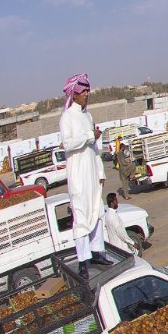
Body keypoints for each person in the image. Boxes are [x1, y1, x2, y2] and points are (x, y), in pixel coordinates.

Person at [60, 73, 108, 277]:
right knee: (81, 216)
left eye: (88, 90)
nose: (87, 94)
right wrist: (89, 136)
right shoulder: (67, 117)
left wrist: (100, 170)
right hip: (78, 175)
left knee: (96, 211)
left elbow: (94, 149)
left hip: (91, 173)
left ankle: (97, 251)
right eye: (83, 91)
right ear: (75, 93)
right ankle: (83, 260)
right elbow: (68, 144)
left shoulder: (88, 116)